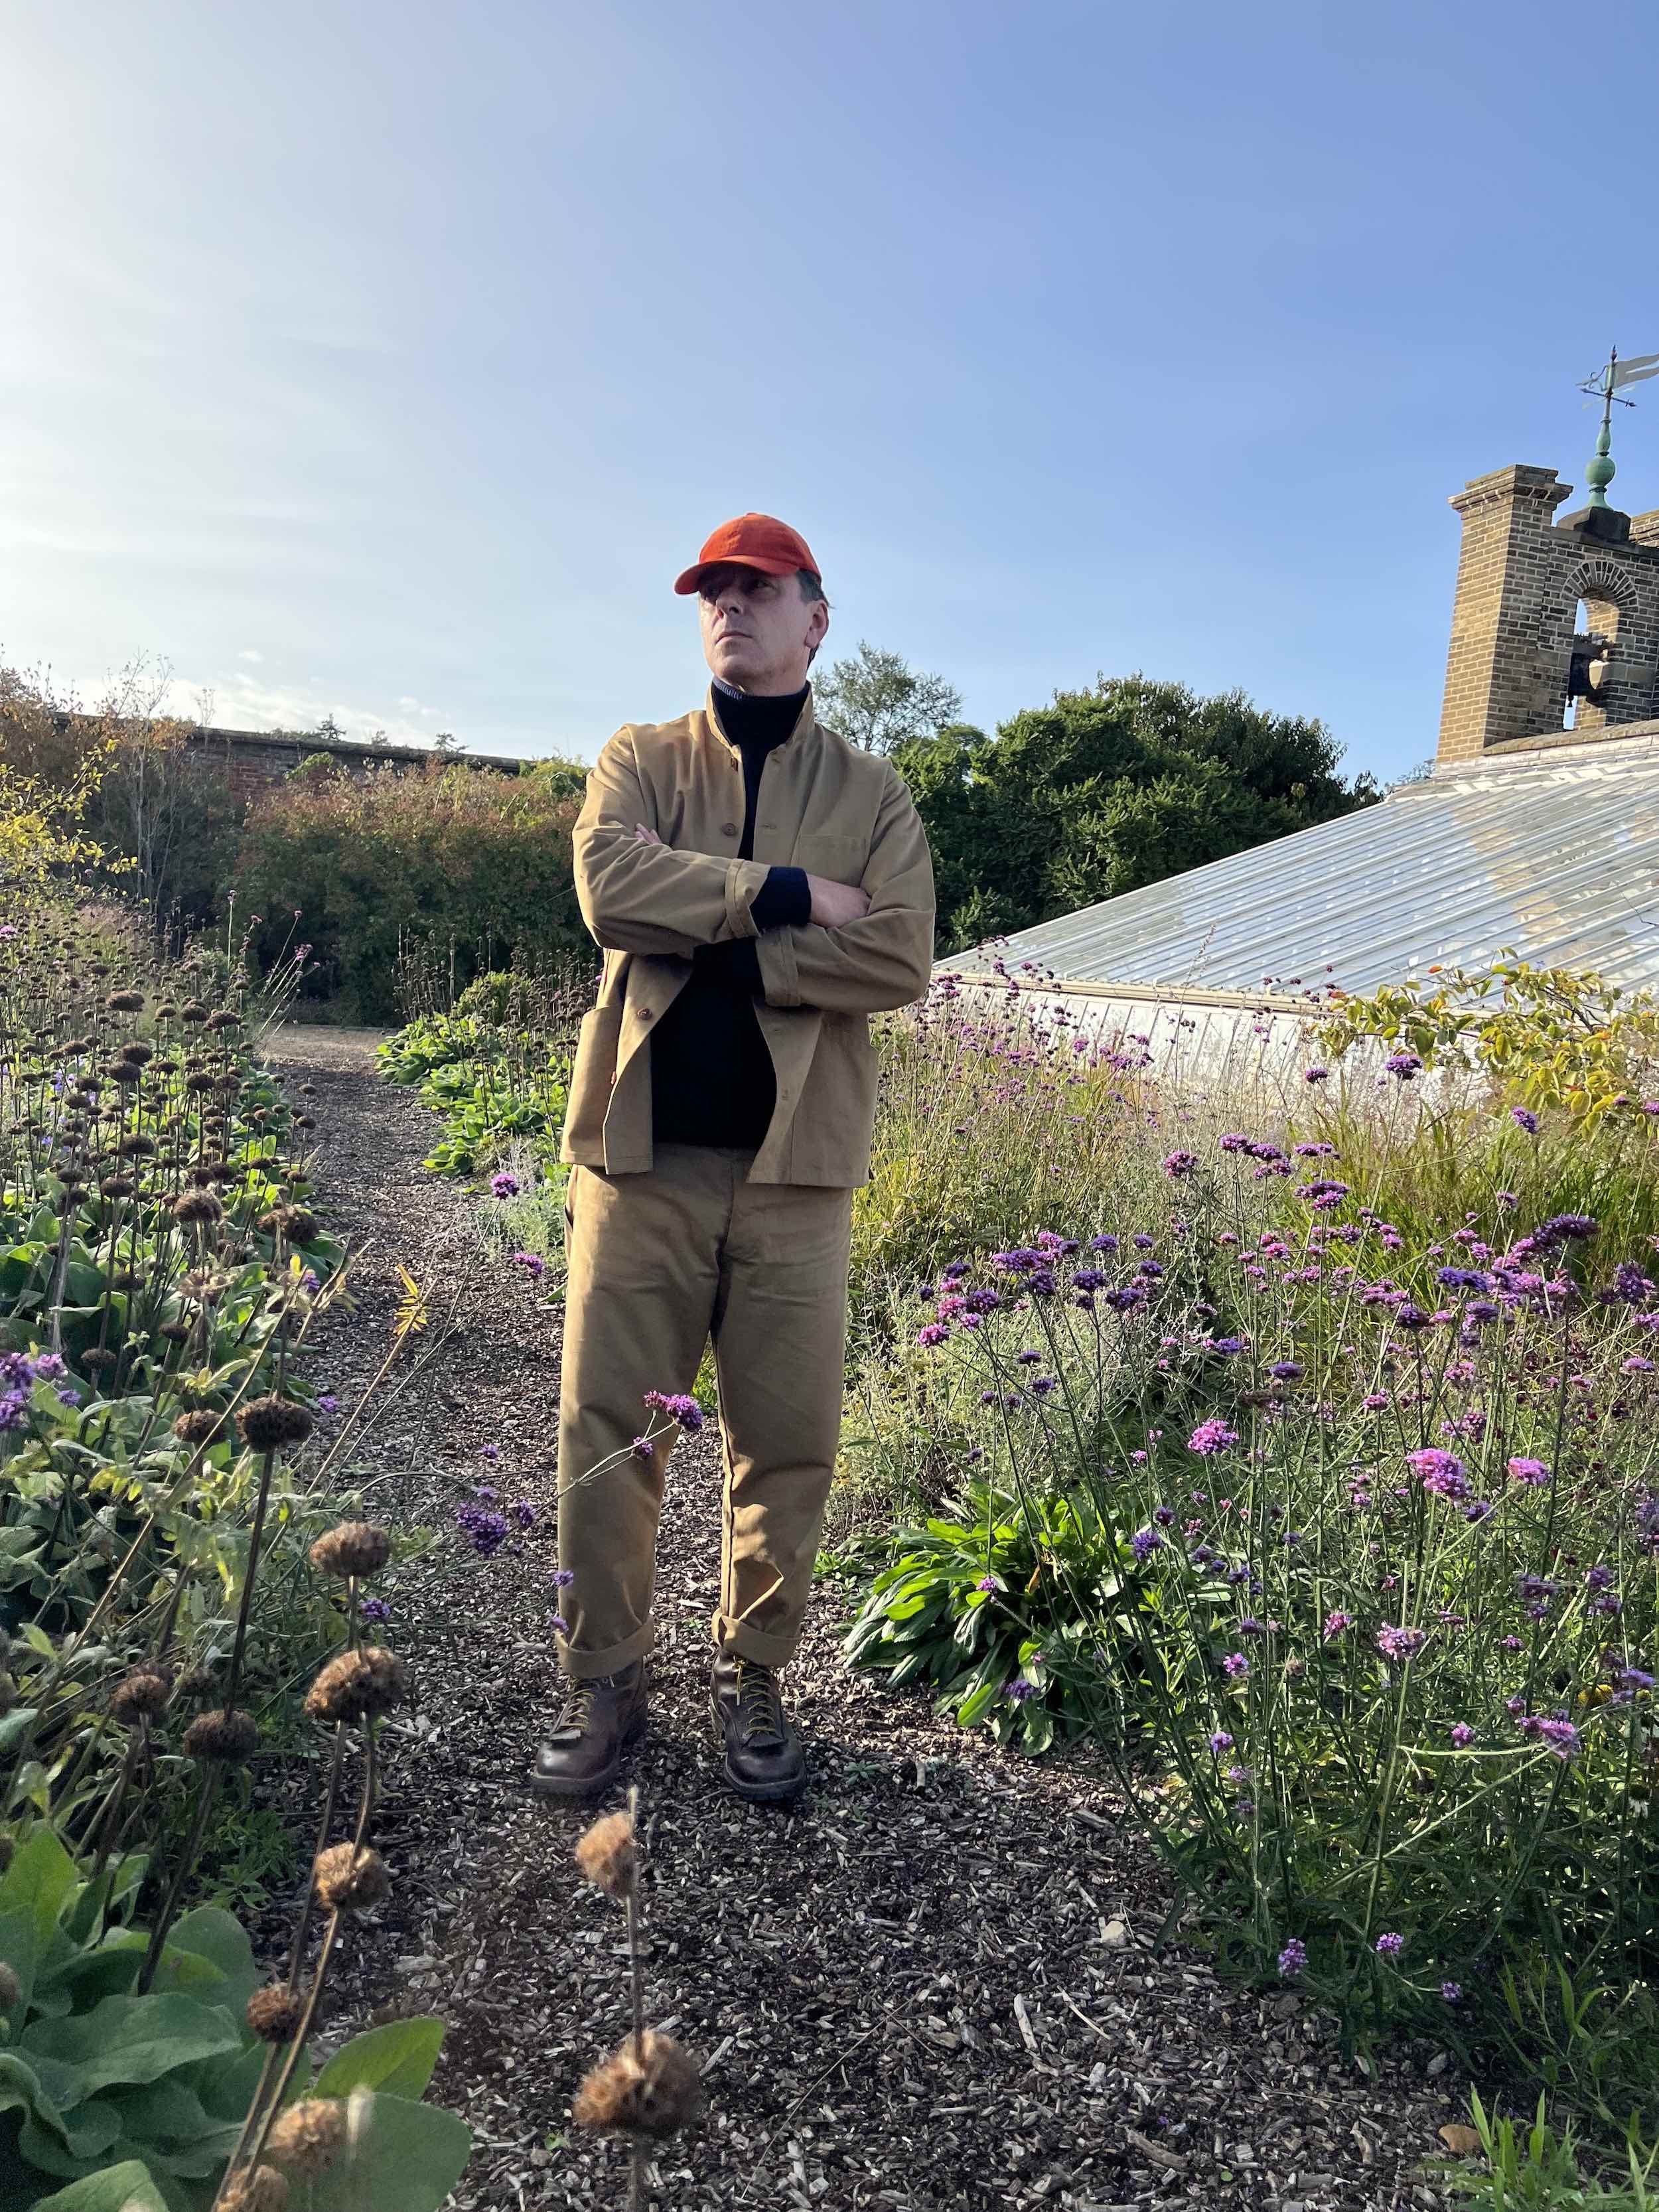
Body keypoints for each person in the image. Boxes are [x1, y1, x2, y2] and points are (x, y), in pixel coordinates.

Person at [531, 512, 936, 1803]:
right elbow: (608, 892)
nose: (729, 607)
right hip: (636, 1157)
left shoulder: (872, 796)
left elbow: (899, 957)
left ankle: (754, 1674)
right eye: (712, 590)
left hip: (795, 1176)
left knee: (787, 1436)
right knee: (607, 1430)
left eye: (757, 590)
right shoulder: (636, 760)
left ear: (816, 619)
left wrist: (702, 920)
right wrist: (782, 895)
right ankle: (605, 1676)